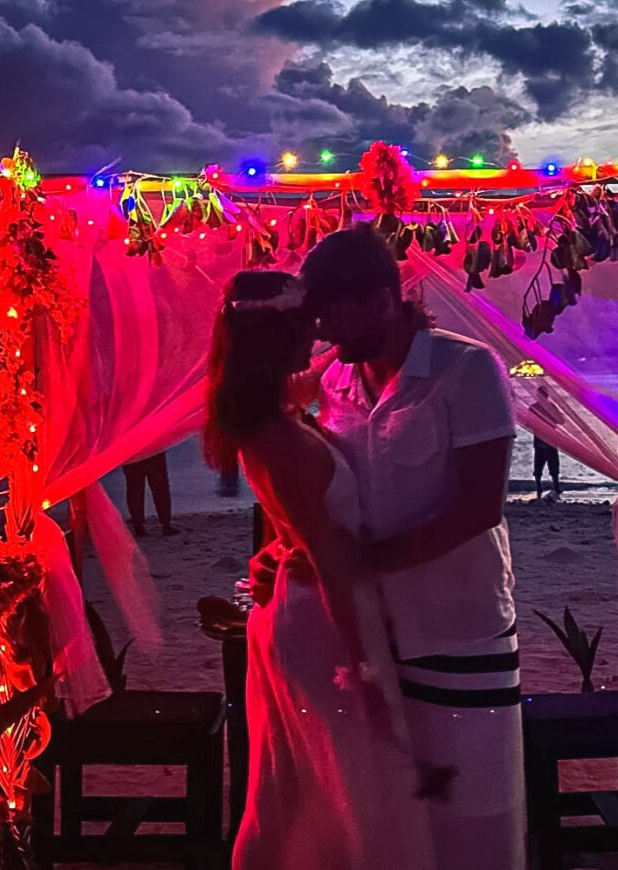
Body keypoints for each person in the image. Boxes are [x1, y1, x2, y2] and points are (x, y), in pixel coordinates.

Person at [252, 223, 525, 869]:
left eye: (332, 314)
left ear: (382, 297)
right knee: (396, 820)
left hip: (459, 632)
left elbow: (479, 506)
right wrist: (285, 550)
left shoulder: (467, 369)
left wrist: (361, 563)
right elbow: (320, 492)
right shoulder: (332, 384)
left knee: (476, 816)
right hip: (372, 641)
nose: (323, 332)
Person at [202, 270, 436, 870]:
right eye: (307, 321)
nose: (318, 330)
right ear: (278, 335)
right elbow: (330, 562)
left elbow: (322, 368)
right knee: (333, 793)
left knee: (326, 788)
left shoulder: (275, 410)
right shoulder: (276, 436)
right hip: (319, 623)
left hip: (309, 607)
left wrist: (391, 316)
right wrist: (363, 665)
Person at [122, 451, 176, 536]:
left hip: (132, 453)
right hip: (153, 451)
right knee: (160, 488)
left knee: (135, 490)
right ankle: (166, 524)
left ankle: (138, 525)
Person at [533, 435, 562, 500]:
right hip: (548, 445)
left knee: (539, 468)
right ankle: (556, 487)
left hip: (543, 445)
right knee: (552, 468)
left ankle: (539, 488)